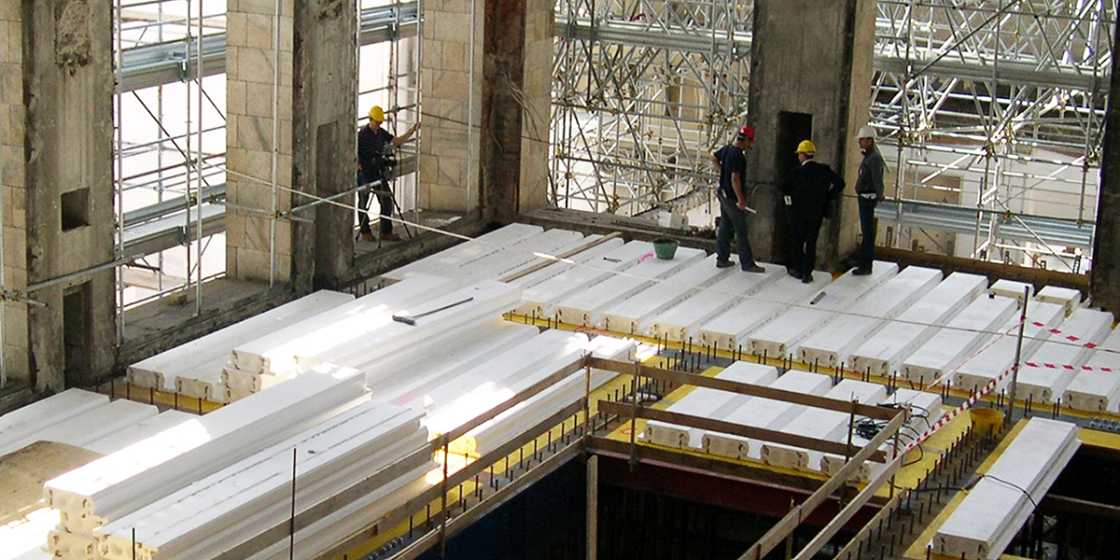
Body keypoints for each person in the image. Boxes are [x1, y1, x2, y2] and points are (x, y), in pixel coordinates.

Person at [782, 140, 844, 283]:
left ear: (803, 155)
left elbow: (784, 186)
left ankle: (797, 269)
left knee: (798, 241)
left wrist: (791, 201)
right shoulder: (824, 170)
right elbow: (840, 183)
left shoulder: (797, 172)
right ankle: (807, 273)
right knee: (811, 242)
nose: (798, 157)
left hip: (798, 214)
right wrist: (828, 196)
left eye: (799, 154)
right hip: (816, 213)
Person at [357, 105, 419, 242]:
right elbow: (353, 153)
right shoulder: (362, 135)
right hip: (365, 173)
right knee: (363, 203)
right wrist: (358, 167)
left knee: (386, 202)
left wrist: (412, 131)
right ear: (371, 119)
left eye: (380, 122)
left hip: (377, 172)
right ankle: (365, 232)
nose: (378, 124)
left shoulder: (380, 133)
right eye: (377, 122)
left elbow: (396, 141)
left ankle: (386, 232)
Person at [711, 125, 765, 273]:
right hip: (731, 197)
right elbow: (735, 178)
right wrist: (741, 199)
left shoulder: (727, 149)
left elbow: (714, 157)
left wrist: (722, 172)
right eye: (750, 141)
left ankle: (722, 259)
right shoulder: (738, 155)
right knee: (741, 230)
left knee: (725, 225)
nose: (751, 145)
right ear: (746, 140)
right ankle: (747, 263)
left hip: (723, 193)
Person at [853, 125, 885, 275]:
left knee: (868, 233)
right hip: (865, 197)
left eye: (862, 140)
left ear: (869, 141)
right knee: (867, 232)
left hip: (868, 199)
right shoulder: (870, 157)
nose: (860, 143)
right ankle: (864, 263)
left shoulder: (874, 159)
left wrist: (880, 194)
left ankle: (865, 265)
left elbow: (877, 179)